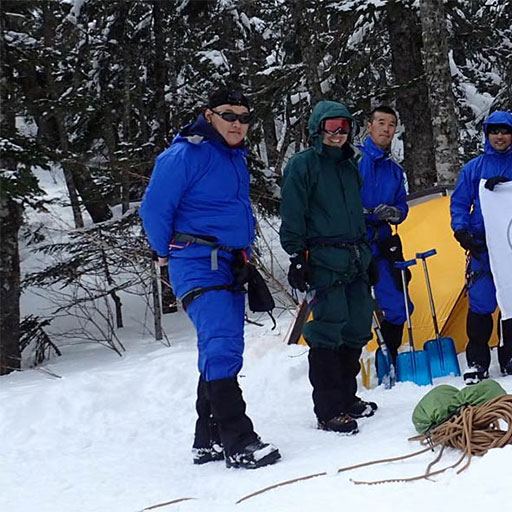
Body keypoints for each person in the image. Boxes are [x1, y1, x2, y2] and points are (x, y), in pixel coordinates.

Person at [140, 87, 280, 469]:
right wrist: (164, 253)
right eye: (229, 115)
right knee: (222, 345)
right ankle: (239, 440)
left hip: (231, 263)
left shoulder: (233, 157)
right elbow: (154, 207)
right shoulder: (187, 154)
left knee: (218, 348)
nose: (238, 123)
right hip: (197, 261)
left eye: (244, 117)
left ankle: (208, 439)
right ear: (209, 115)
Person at [280, 100, 377, 435]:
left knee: (357, 324)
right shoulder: (303, 165)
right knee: (328, 329)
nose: (338, 134)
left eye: (344, 127)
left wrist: (369, 256)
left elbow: (354, 212)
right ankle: (328, 408)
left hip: (355, 256)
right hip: (322, 258)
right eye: (332, 127)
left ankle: (348, 397)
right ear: (318, 129)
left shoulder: (350, 165)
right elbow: (292, 211)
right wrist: (296, 255)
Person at [450, 111, 512, 384]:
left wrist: (511, 189)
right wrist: (462, 230)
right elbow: (460, 202)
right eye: (494, 131)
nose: (499, 137)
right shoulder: (474, 168)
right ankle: (477, 361)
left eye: (505, 131)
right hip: (482, 245)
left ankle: (510, 356)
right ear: (487, 135)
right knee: (481, 302)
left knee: (511, 301)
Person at [358, 106, 412, 363]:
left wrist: (395, 213)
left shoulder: (394, 171)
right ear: (369, 126)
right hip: (354, 243)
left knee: (398, 305)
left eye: (391, 124)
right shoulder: (353, 161)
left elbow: (402, 207)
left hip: (382, 243)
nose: (386, 129)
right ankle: (350, 367)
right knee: (353, 309)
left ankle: (389, 356)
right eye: (381, 122)